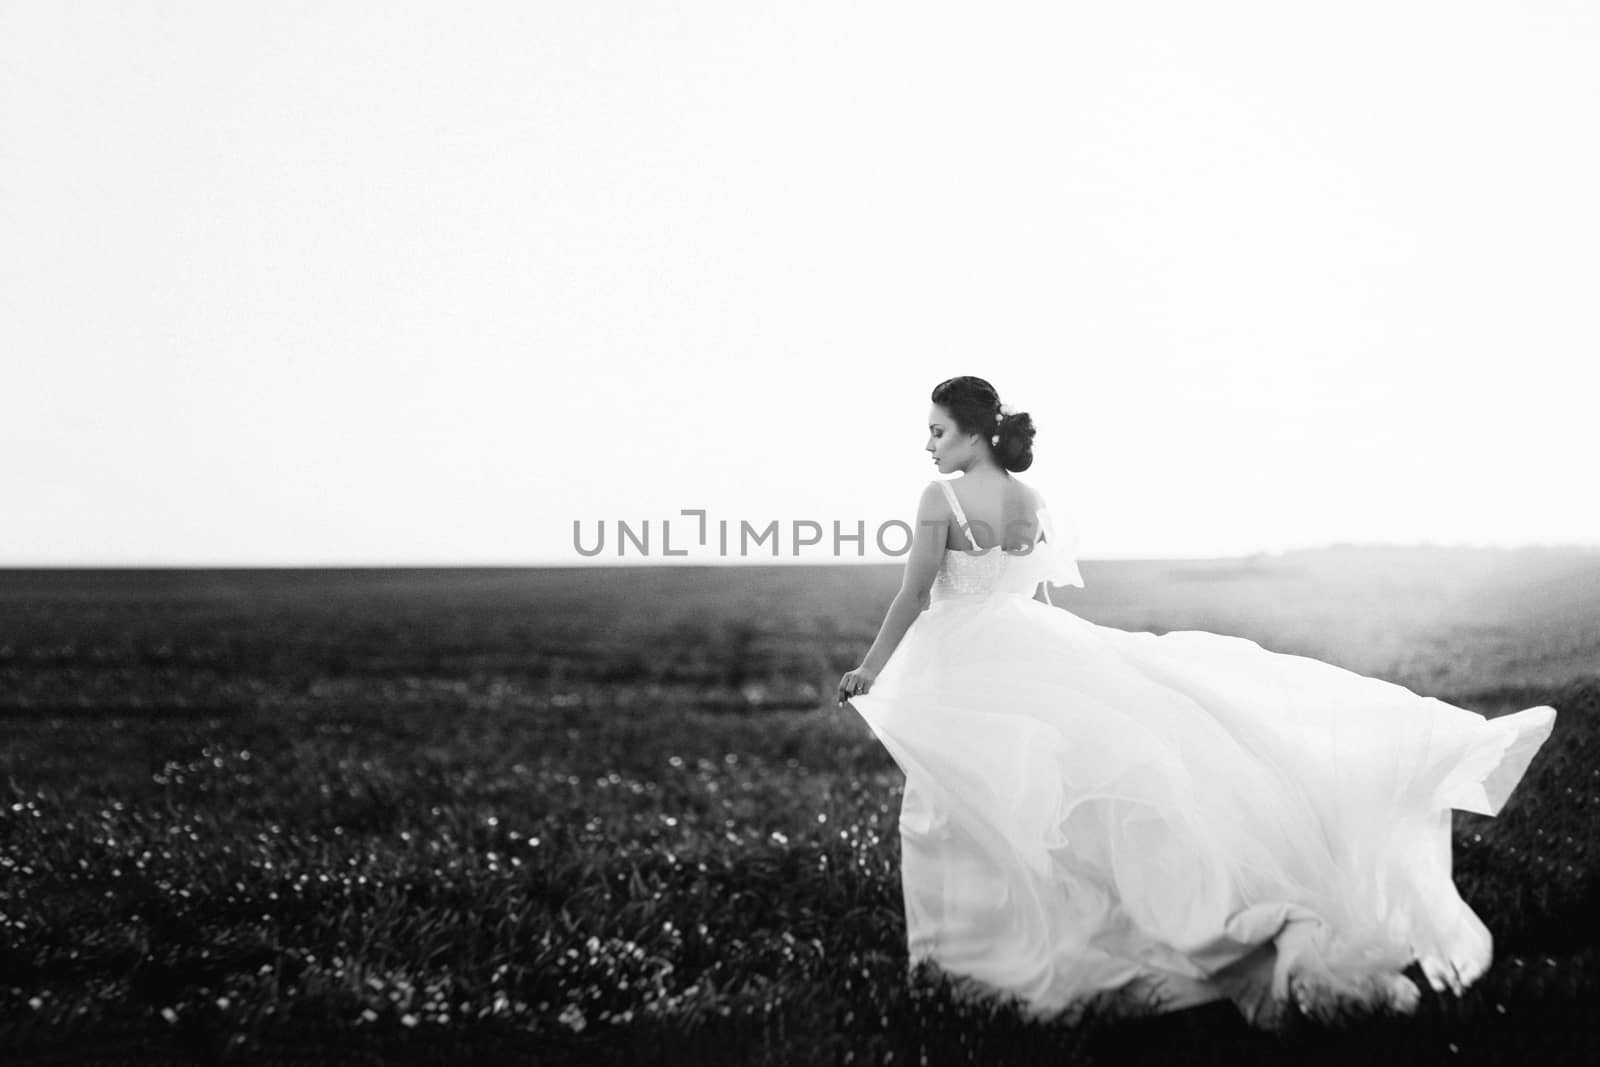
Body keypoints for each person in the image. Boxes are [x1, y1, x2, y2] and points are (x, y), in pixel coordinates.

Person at [836, 375, 1558, 1031]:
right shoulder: (1031, 501)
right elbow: (1032, 593)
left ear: (971, 433)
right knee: (1039, 806)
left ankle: (976, 973)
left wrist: (872, 667)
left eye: (936, 430)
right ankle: (1025, 959)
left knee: (962, 809)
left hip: (969, 661)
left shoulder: (942, 499)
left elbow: (915, 593)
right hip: (1032, 646)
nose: (927, 444)